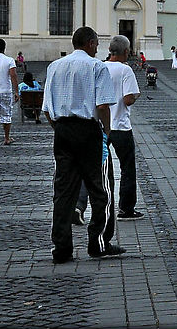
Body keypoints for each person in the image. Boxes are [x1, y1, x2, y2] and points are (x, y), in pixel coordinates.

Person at [41, 26, 125, 263]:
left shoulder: (54, 67)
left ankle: (61, 247)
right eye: (97, 44)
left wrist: (59, 128)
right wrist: (106, 133)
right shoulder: (96, 66)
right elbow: (102, 106)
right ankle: (98, 243)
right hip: (89, 132)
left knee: (63, 191)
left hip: (63, 130)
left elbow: (47, 108)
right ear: (89, 43)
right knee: (100, 189)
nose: (98, 48)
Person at [102, 36, 143, 220]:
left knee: (96, 166)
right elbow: (127, 99)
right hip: (120, 125)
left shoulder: (100, 67)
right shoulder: (125, 70)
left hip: (102, 125)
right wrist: (135, 96)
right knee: (127, 168)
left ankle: (89, 205)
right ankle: (126, 209)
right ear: (126, 52)